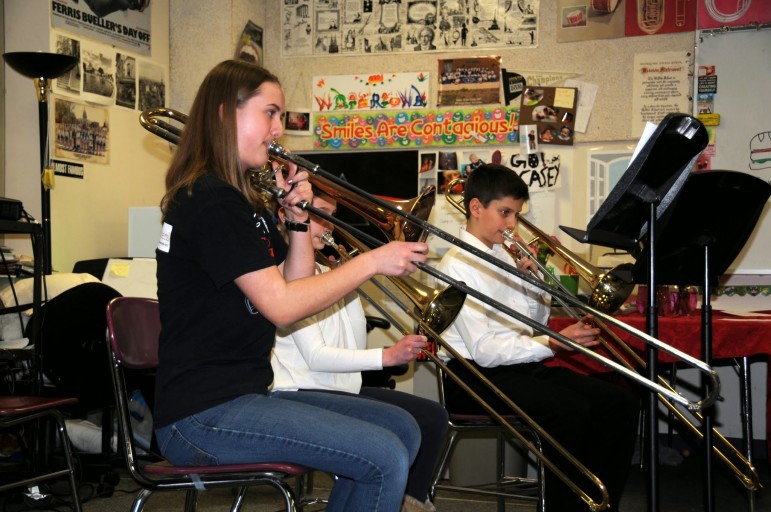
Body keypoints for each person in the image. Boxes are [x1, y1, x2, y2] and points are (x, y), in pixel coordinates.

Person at [154, 59, 430, 512]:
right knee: (382, 455)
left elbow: (294, 292)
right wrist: (372, 261)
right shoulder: (209, 200)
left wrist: (299, 223)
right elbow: (281, 307)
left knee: (402, 429)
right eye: (271, 113)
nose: (279, 129)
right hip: (200, 415)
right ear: (225, 113)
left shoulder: (246, 202)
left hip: (243, 394)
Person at [436, 164, 639, 512]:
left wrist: (534, 285)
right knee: (569, 410)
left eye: (515, 214)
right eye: (505, 213)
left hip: (518, 365)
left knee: (620, 402)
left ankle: (598, 503)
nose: (513, 224)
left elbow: (534, 323)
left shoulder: (502, 255)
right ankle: (567, 506)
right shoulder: (457, 265)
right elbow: (484, 352)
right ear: (475, 208)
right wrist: (554, 344)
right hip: (471, 376)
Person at [271, 189, 449, 512]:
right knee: (391, 437)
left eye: (332, 216)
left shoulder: (330, 274)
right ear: (288, 216)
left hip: (337, 390)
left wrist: (352, 278)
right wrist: (387, 357)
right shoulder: (287, 275)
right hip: (300, 390)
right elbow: (317, 356)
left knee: (431, 416)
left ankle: (407, 502)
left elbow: (352, 344)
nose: (329, 225)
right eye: (319, 213)